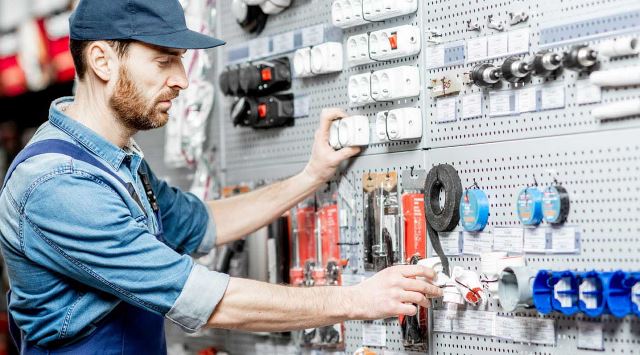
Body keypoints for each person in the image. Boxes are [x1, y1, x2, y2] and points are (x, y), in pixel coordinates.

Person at [0, 0, 442, 353]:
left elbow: (204, 222)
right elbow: (204, 298)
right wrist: (357, 301)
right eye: (164, 60)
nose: (181, 80)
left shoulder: (115, 161)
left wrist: (311, 176)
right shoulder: (60, 184)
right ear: (102, 60)